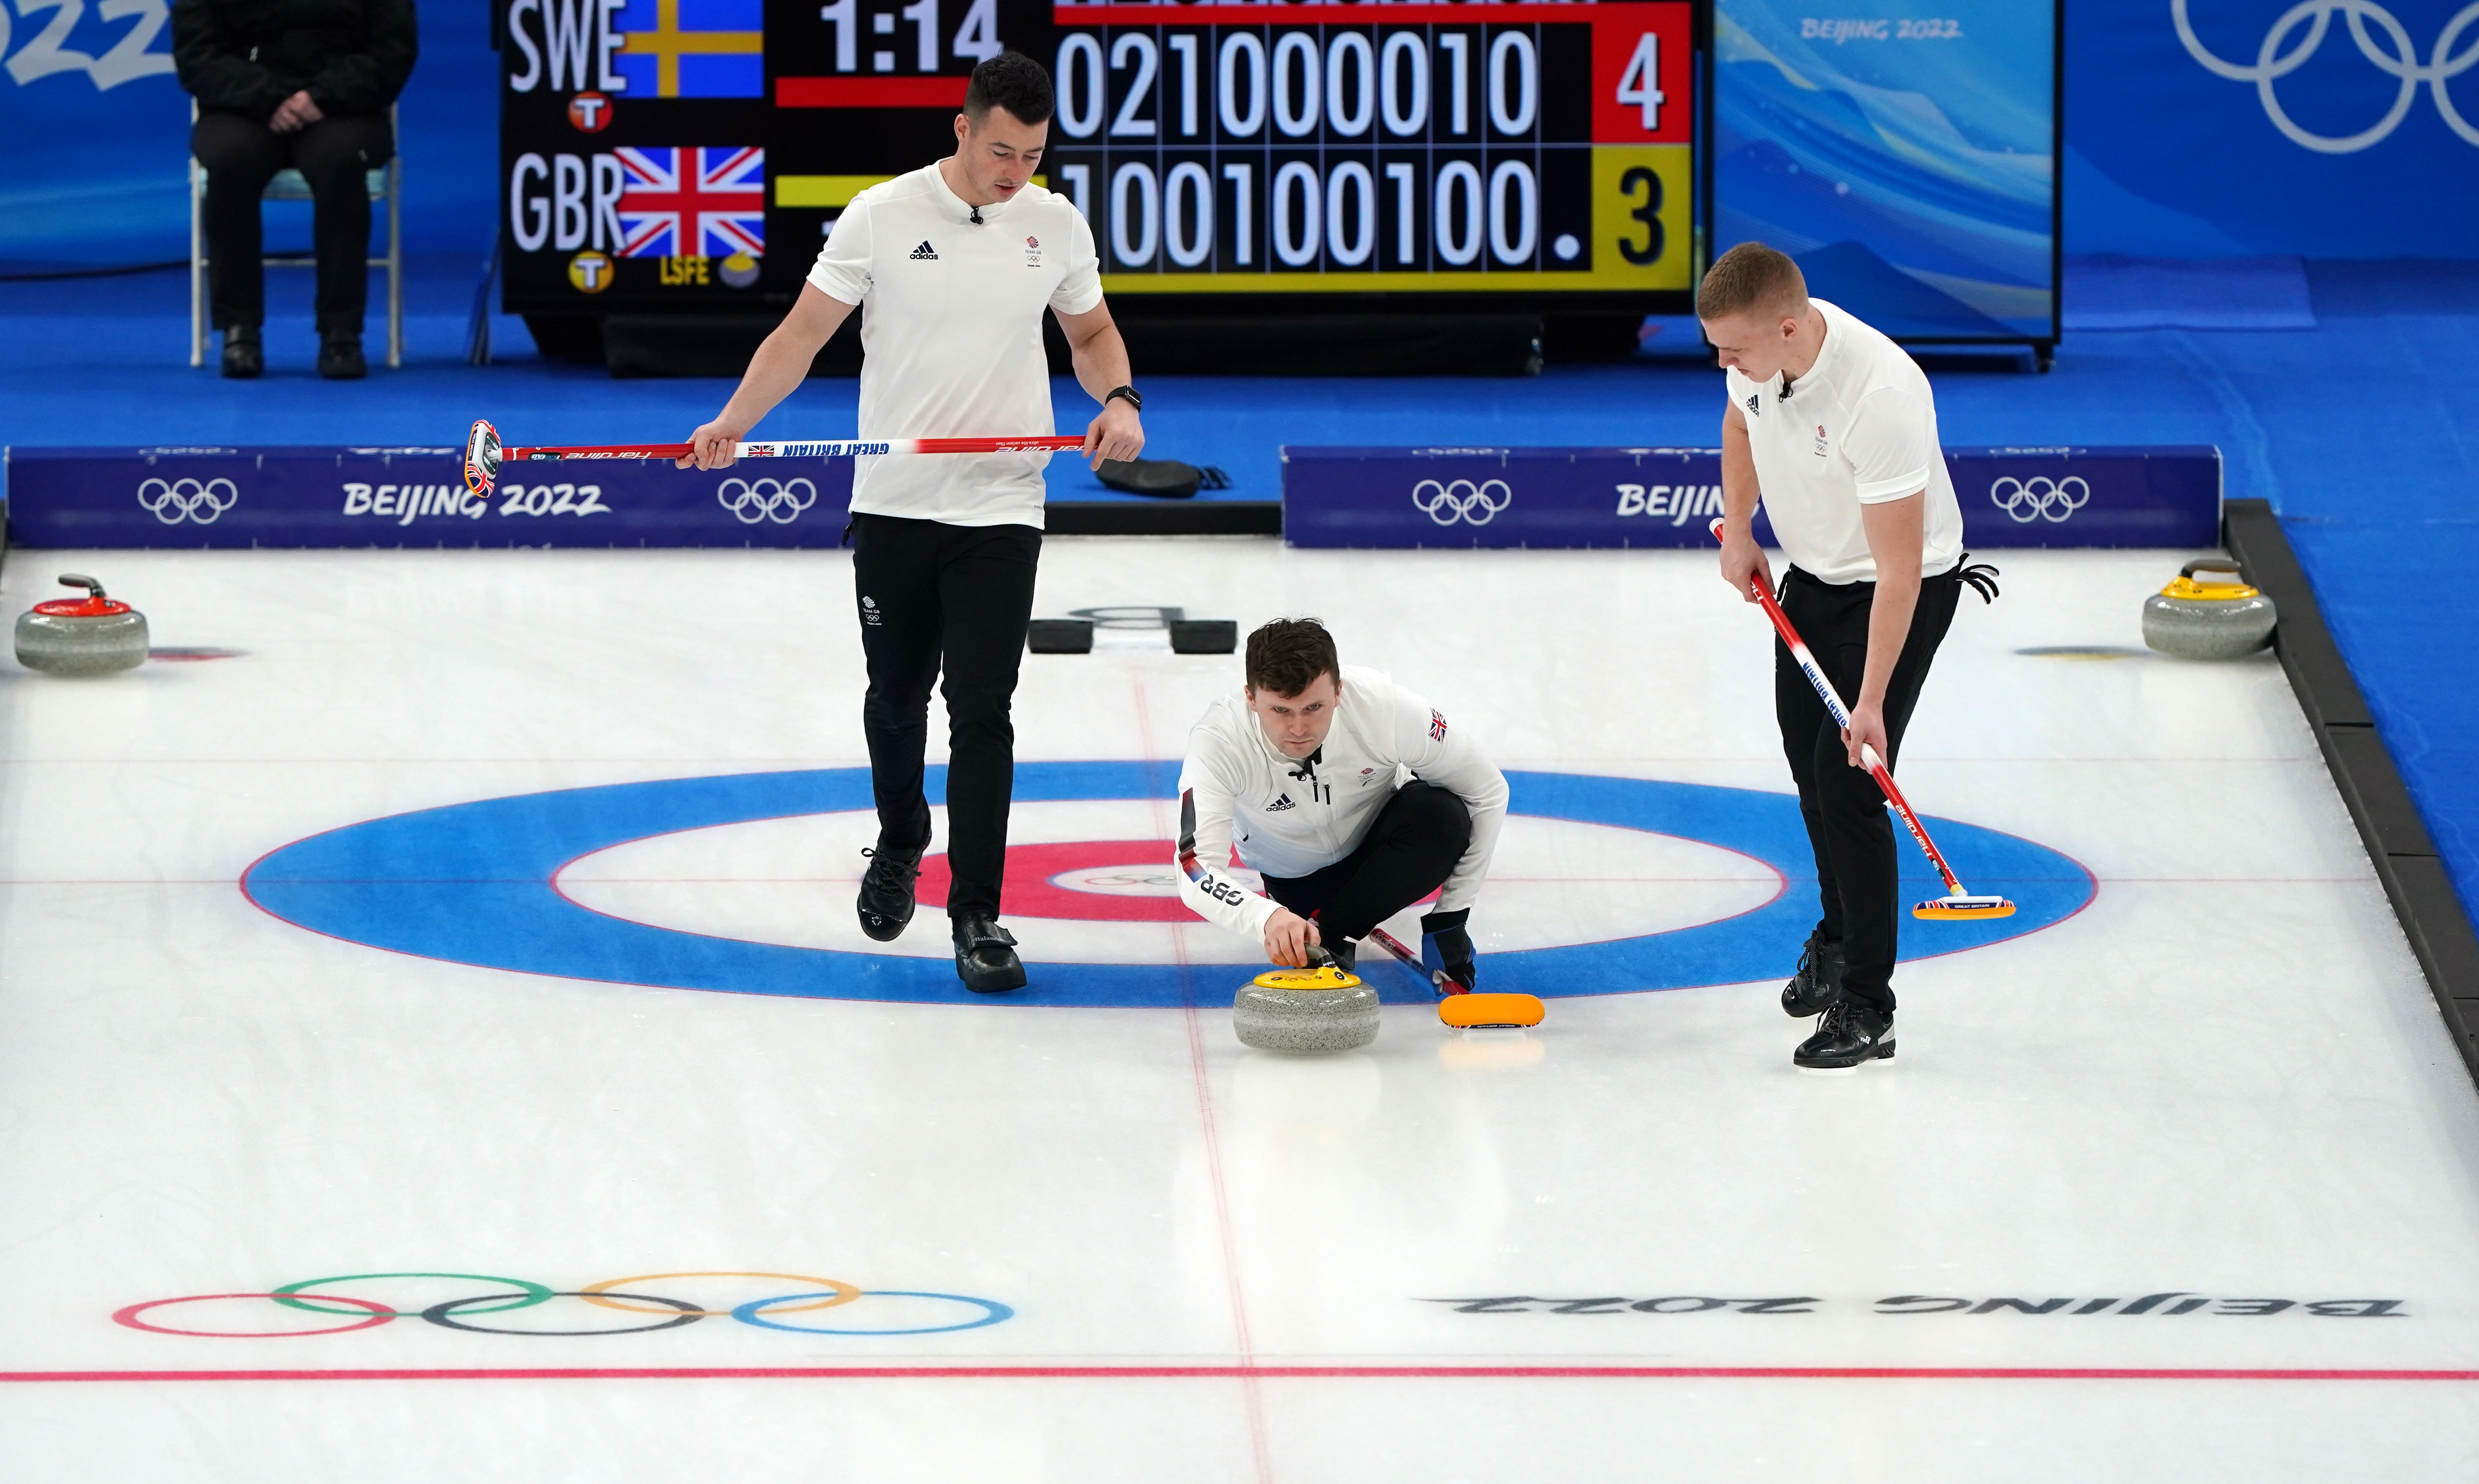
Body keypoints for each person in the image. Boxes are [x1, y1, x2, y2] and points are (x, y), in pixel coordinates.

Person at [679, 51, 1143, 994]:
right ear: (961, 128)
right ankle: (899, 839)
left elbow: (1089, 336)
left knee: (982, 710)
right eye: (1001, 151)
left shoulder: (1052, 224)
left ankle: (977, 912)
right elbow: (801, 336)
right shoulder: (880, 216)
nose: (1015, 172)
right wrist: (732, 424)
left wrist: (1122, 399)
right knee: (895, 696)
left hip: (1002, 503)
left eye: (1033, 155)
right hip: (893, 503)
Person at [1700, 241, 1995, 1072]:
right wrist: (1743, 526)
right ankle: (1836, 935)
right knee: (1806, 764)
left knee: (1850, 784)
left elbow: (1901, 571)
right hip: (1814, 575)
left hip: (1899, 586)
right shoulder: (1755, 361)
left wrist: (1871, 704)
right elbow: (1738, 419)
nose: (1721, 362)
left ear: (1788, 329)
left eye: (1733, 348)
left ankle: (1869, 1006)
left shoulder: (1883, 396)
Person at [1175, 618, 1506, 989]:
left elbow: (1487, 790)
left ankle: (1337, 929)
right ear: (1251, 698)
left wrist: (1452, 915)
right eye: (1280, 711)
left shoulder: (1385, 708)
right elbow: (1194, 867)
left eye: (1314, 707)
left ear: (1338, 691)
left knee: (1443, 815)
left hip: (1383, 850)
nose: (1299, 729)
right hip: (1296, 881)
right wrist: (1265, 917)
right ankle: (1324, 928)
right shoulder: (1219, 741)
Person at [173, 0, 416, 381]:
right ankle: (240, 330)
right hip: (243, 107)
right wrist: (265, 97)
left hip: (342, 108)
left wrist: (323, 96)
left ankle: (341, 332)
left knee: (341, 161)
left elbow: (393, 50)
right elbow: (197, 54)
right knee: (229, 160)